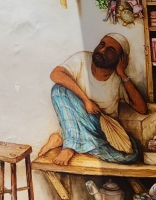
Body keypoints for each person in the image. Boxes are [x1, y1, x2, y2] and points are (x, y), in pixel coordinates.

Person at [40, 33, 147, 165]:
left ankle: (62, 138)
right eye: (102, 44)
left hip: (100, 129)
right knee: (59, 89)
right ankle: (69, 147)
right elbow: (56, 74)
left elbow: (141, 108)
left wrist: (122, 73)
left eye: (110, 50)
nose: (102, 50)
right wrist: (86, 100)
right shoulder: (82, 59)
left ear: (120, 59)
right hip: (77, 122)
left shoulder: (118, 80)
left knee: (129, 156)